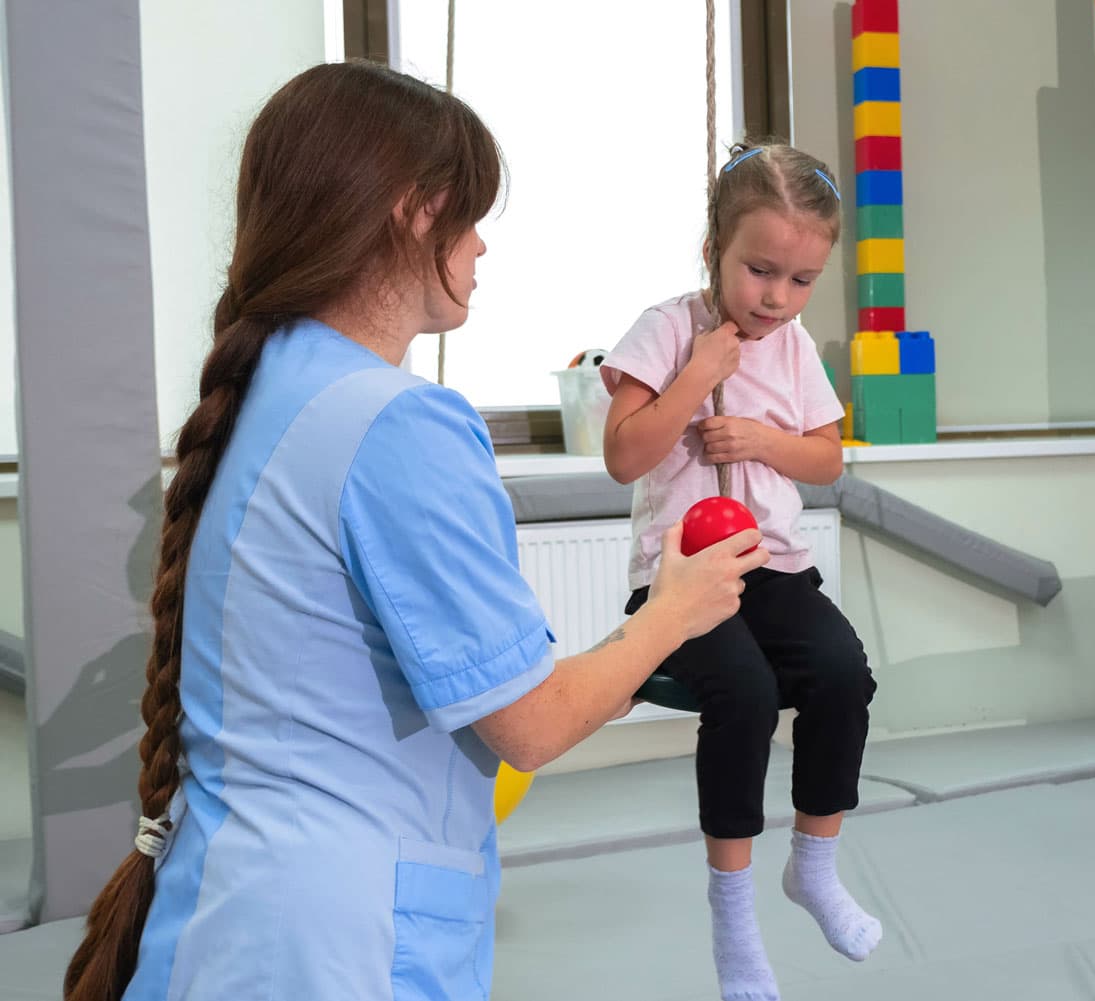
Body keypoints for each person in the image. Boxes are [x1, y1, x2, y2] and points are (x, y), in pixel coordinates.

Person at [62, 61, 765, 1001]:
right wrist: (671, 613)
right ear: (410, 212)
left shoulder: (269, 389)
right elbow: (534, 722)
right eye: (469, 217)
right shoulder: (398, 421)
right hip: (335, 943)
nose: (481, 249)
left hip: (232, 914)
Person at [601, 141, 881, 1001]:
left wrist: (760, 440)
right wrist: (696, 379)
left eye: (801, 281)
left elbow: (827, 459)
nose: (777, 298)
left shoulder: (793, 347)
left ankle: (815, 864)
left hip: (771, 565)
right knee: (747, 696)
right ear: (714, 249)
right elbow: (622, 455)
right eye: (760, 271)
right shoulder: (667, 329)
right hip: (683, 575)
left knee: (843, 676)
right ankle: (733, 912)